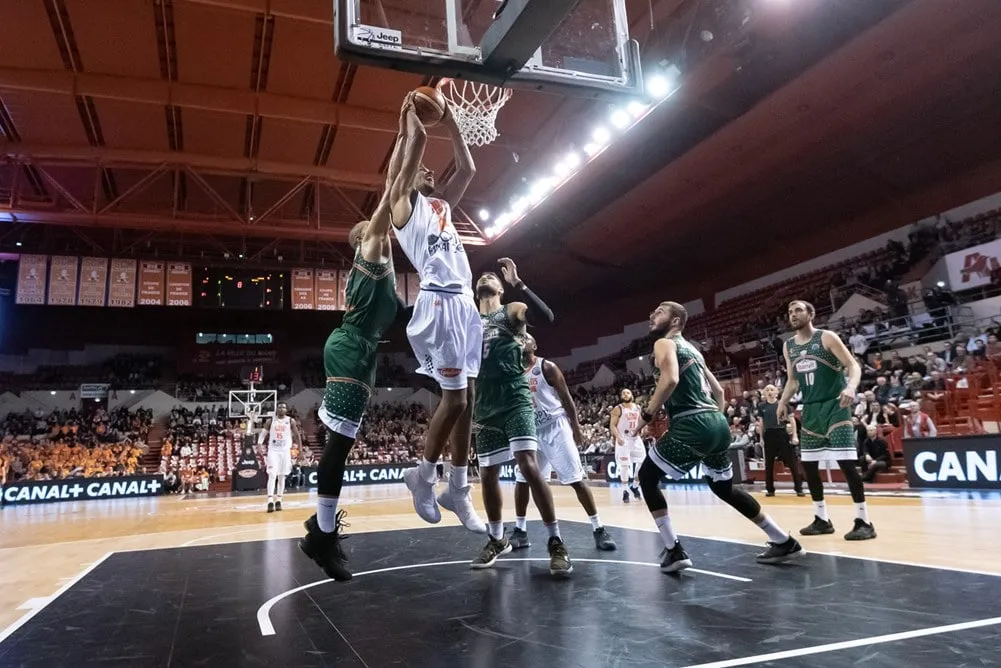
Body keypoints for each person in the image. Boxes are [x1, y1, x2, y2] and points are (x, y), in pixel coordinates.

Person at [299, 96, 420, 581]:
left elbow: (394, 191)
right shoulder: (369, 249)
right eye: (374, 229)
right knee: (340, 446)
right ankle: (321, 538)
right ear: (363, 238)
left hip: (360, 349)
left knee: (342, 442)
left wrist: (408, 143)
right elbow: (391, 190)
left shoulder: (383, 269)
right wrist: (408, 133)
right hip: (351, 346)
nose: (383, 232)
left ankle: (320, 525)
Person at [634, 301, 805, 572]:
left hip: (692, 422)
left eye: (659, 312)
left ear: (676, 321)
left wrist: (646, 415)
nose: (651, 315)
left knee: (646, 477)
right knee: (722, 487)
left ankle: (673, 550)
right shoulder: (694, 351)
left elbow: (670, 380)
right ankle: (782, 539)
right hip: (716, 421)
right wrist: (714, 423)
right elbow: (721, 394)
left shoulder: (664, 344)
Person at [388, 89, 484, 534]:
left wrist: (454, 123)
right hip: (438, 302)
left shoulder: (443, 205)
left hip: (464, 303)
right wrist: (414, 114)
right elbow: (415, 147)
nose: (428, 171)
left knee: (469, 404)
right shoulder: (403, 207)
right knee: (456, 399)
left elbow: (468, 167)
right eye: (419, 170)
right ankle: (423, 478)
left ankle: (458, 488)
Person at [469, 259, 573, 577]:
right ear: (475, 290)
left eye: (492, 277)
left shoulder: (511, 308)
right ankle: (497, 539)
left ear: (499, 287)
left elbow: (546, 317)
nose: (486, 276)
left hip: (515, 397)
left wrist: (520, 283)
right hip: (484, 404)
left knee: (527, 465)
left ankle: (556, 542)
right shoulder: (469, 319)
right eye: (481, 276)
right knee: (487, 474)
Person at [777, 300, 876, 541]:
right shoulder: (788, 346)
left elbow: (853, 365)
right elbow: (792, 380)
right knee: (809, 466)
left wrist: (851, 387)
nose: (793, 315)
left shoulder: (827, 337)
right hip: (810, 409)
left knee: (845, 463)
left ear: (811, 314)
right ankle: (822, 519)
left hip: (835, 405)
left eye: (798, 310)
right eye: (790, 312)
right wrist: (782, 401)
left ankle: (864, 521)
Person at [508, 333, 616, 552]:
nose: (521, 341)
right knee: (522, 480)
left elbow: (566, 398)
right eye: (518, 339)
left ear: (535, 344)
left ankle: (599, 528)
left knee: (575, 479)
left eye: (526, 338)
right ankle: (520, 531)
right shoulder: (512, 372)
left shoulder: (547, 367)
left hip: (555, 427)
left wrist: (575, 428)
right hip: (530, 431)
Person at [756, 384, 804, 497]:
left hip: (782, 434)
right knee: (769, 463)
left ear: (776, 392)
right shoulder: (761, 406)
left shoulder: (783, 404)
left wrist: (794, 436)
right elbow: (761, 423)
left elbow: (792, 421)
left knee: (792, 462)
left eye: (772, 389)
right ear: (764, 393)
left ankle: (799, 488)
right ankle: (770, 489)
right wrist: (761, 438)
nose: (769, 391)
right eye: (767, 389)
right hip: (769, 435)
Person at [258, 402, 301, 513]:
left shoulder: (290, 421)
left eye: (284, 407)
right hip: (273, 450)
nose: (282, 409)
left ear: (286, 410)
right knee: (272, 475)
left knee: (282, 476)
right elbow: (263, 434)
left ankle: (279, 500)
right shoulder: (270, 421)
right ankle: (270, 501)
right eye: (280, 407)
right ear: (276, 409)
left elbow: (297, 435)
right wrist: (259, 443)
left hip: (285, 451)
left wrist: (300, 448)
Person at [609, 389, 645, 502]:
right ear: (621, 396)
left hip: (635, 438)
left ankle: (634, 486)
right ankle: (625, 491)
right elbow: (612, 425)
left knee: (643, 463)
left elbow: (640, 421)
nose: (625, 394)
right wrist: (618, 437)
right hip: (623, 439)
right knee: (625, 466)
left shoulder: (637, 407)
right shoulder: (618, 408)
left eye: (628, 392)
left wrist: (641, 429)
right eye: (623, 393)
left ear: (632, 395)